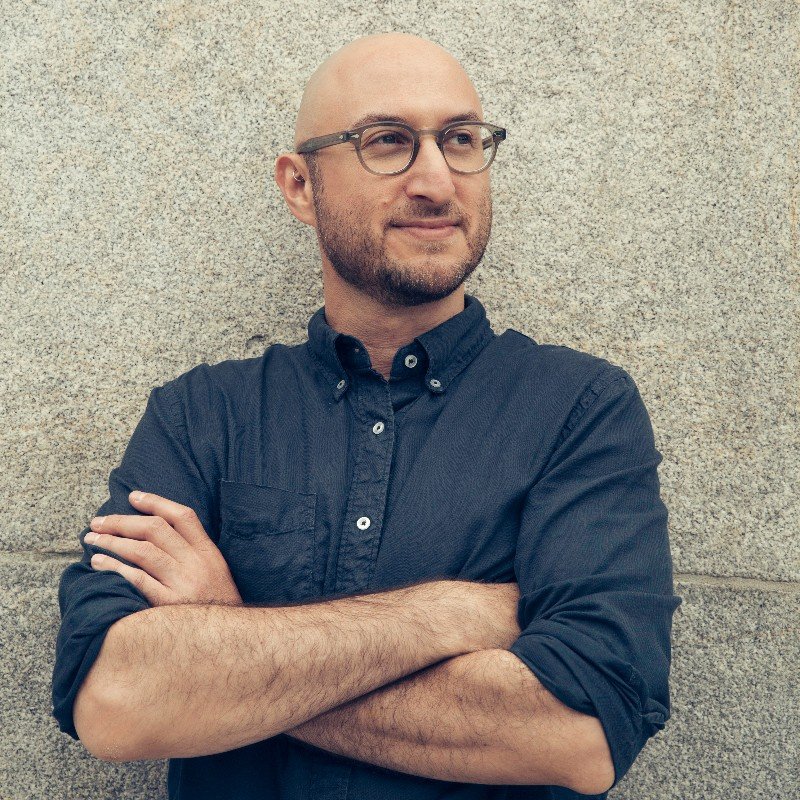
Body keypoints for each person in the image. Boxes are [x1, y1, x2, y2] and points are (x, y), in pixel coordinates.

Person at [52, 31, 682, 800]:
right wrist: (448, 614)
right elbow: (116, 702)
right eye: (387, 142)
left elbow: (578, 734)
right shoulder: (202, 416)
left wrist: (228, 632)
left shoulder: (579, 411)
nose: (436, 181)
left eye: (460, 140)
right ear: (299, 186)